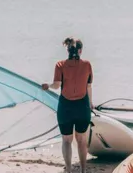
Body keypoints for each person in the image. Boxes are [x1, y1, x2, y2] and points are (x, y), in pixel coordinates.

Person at [41, 37, 93, 173]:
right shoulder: (87, 65)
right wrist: (91, 103)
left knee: (66, 140)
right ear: (80, 50)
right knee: (81, 140)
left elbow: (57, 85)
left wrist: (48, 86)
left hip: (66, 108)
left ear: (68, 50)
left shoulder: (60, 65)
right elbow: (88, 86)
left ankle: (69, 170)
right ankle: (83, 170)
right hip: (82, 107)